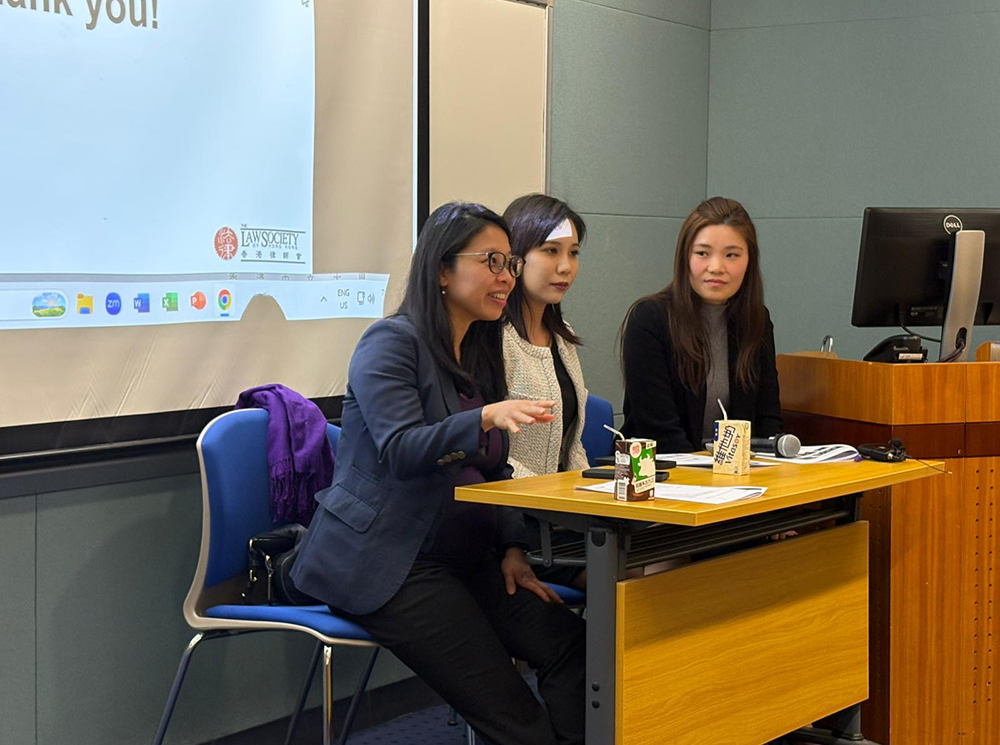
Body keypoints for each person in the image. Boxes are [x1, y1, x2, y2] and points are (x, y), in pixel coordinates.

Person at [291, 202, 585, 745]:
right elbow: (402, 450)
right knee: (516, 716)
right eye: (491, 261)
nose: (506, 277)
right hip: (391, 562)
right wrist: (483, 418)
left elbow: (496, 468)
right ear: (442, 271)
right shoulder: (390, 342)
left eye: (509, 263)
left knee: (573, 646)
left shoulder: (478, 349)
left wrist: (513, 548)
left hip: (467, 557)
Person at [619, 196, 783, 452]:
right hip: (660, 468)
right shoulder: (649, 319)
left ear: (749, 261)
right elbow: (659, 434)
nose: (716, 267)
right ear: (685, 257)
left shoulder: (757, 321)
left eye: (731, 255)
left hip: (737, 471)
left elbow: (767, 423)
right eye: (702, 253)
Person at [502, 194, 590, 588]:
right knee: (631, 579)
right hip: (517, 527)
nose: (565, 266)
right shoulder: (496, 338)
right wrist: (556, 496)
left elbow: (572, 446)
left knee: (664, 557)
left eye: (573, 252)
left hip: (563, 517)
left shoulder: (562, 336)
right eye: (551, 251)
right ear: (516, 257)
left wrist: (592, 496)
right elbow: (492, 454)